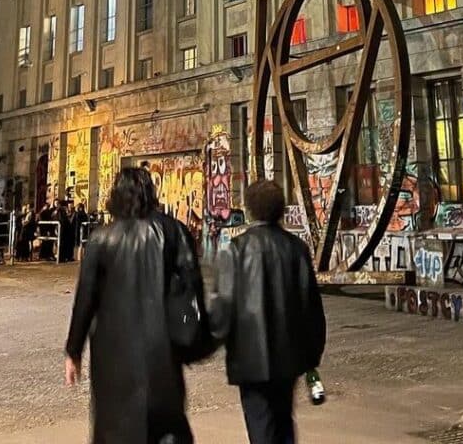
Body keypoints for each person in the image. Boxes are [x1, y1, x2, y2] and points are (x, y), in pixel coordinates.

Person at [66, 167, 209, 444]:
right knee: (167, 426)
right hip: (162, 349)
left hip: (112, 354)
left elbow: (85, 299)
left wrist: (73, 350)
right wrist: (195, 338)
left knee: (116, 428)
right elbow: (193, 289)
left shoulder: (101, 238)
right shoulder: (174, 231)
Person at [210, 180, 326, 444]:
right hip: (289, 356)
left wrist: (206, 342)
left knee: (260, 425)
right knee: (284, 420)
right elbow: (311, 306)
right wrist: (312, 355)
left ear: (250, 209)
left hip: (249, 358)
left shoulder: (235, 250)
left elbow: (222, 306)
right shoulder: (296, 248)